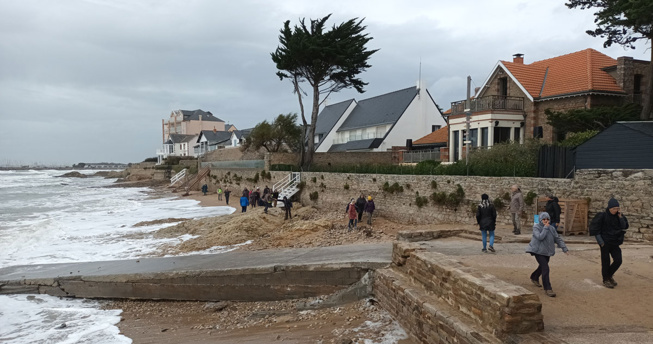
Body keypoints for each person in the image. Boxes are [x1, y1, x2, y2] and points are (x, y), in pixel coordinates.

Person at [525, 212, 569, 297]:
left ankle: (534, 277)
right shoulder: (536, 227)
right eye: (544, 219)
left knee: (542, 266)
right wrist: (545, 228)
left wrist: (564, 248)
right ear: (541, 220)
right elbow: (540, 237)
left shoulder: (552, 228)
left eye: (547, 219)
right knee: (545, 268)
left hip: (547, 251)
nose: (546, 221)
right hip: (538, 251)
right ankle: (548, 288)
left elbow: (558, 239)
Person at [589, 198, 629, 289]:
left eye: (617, 208)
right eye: (614, 208)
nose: (615, 210)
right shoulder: (602, 216)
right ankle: (606, 279)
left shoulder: (620, 216)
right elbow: (595, 229)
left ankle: (609, 275)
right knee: (606, 261)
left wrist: (620, 218)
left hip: (615, 242)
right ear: (609, 208)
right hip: (605, 242)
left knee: (618, 260)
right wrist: (601, 242)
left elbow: (624, 227)